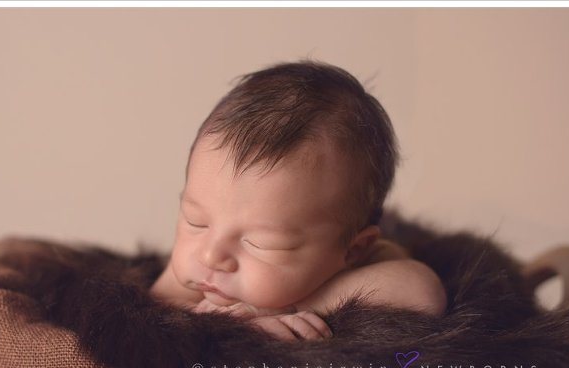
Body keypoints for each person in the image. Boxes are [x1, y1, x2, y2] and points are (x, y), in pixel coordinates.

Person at [151, 60, 446, 341]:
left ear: (353, 249)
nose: (211, 255)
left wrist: (287, 307)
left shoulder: (372, 261)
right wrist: (205, 320)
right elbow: (154, 315)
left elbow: (424, 295)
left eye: (261, 242)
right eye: (195, 221)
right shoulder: (199, 269)